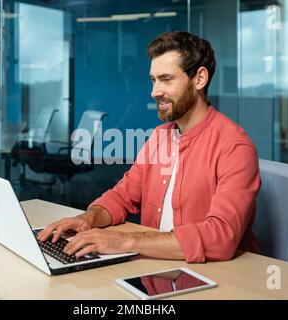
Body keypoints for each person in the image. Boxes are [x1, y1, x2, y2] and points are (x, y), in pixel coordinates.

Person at [37, 31, 261, 263]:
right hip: (154, 269)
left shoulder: (235, 146)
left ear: (200, 79)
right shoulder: (160, 137)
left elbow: (220, 237)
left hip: (215, 278)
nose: (155, 92)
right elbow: (123, 196)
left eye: (166, 79)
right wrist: (88, 219)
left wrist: (125, 241)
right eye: (153, 80)